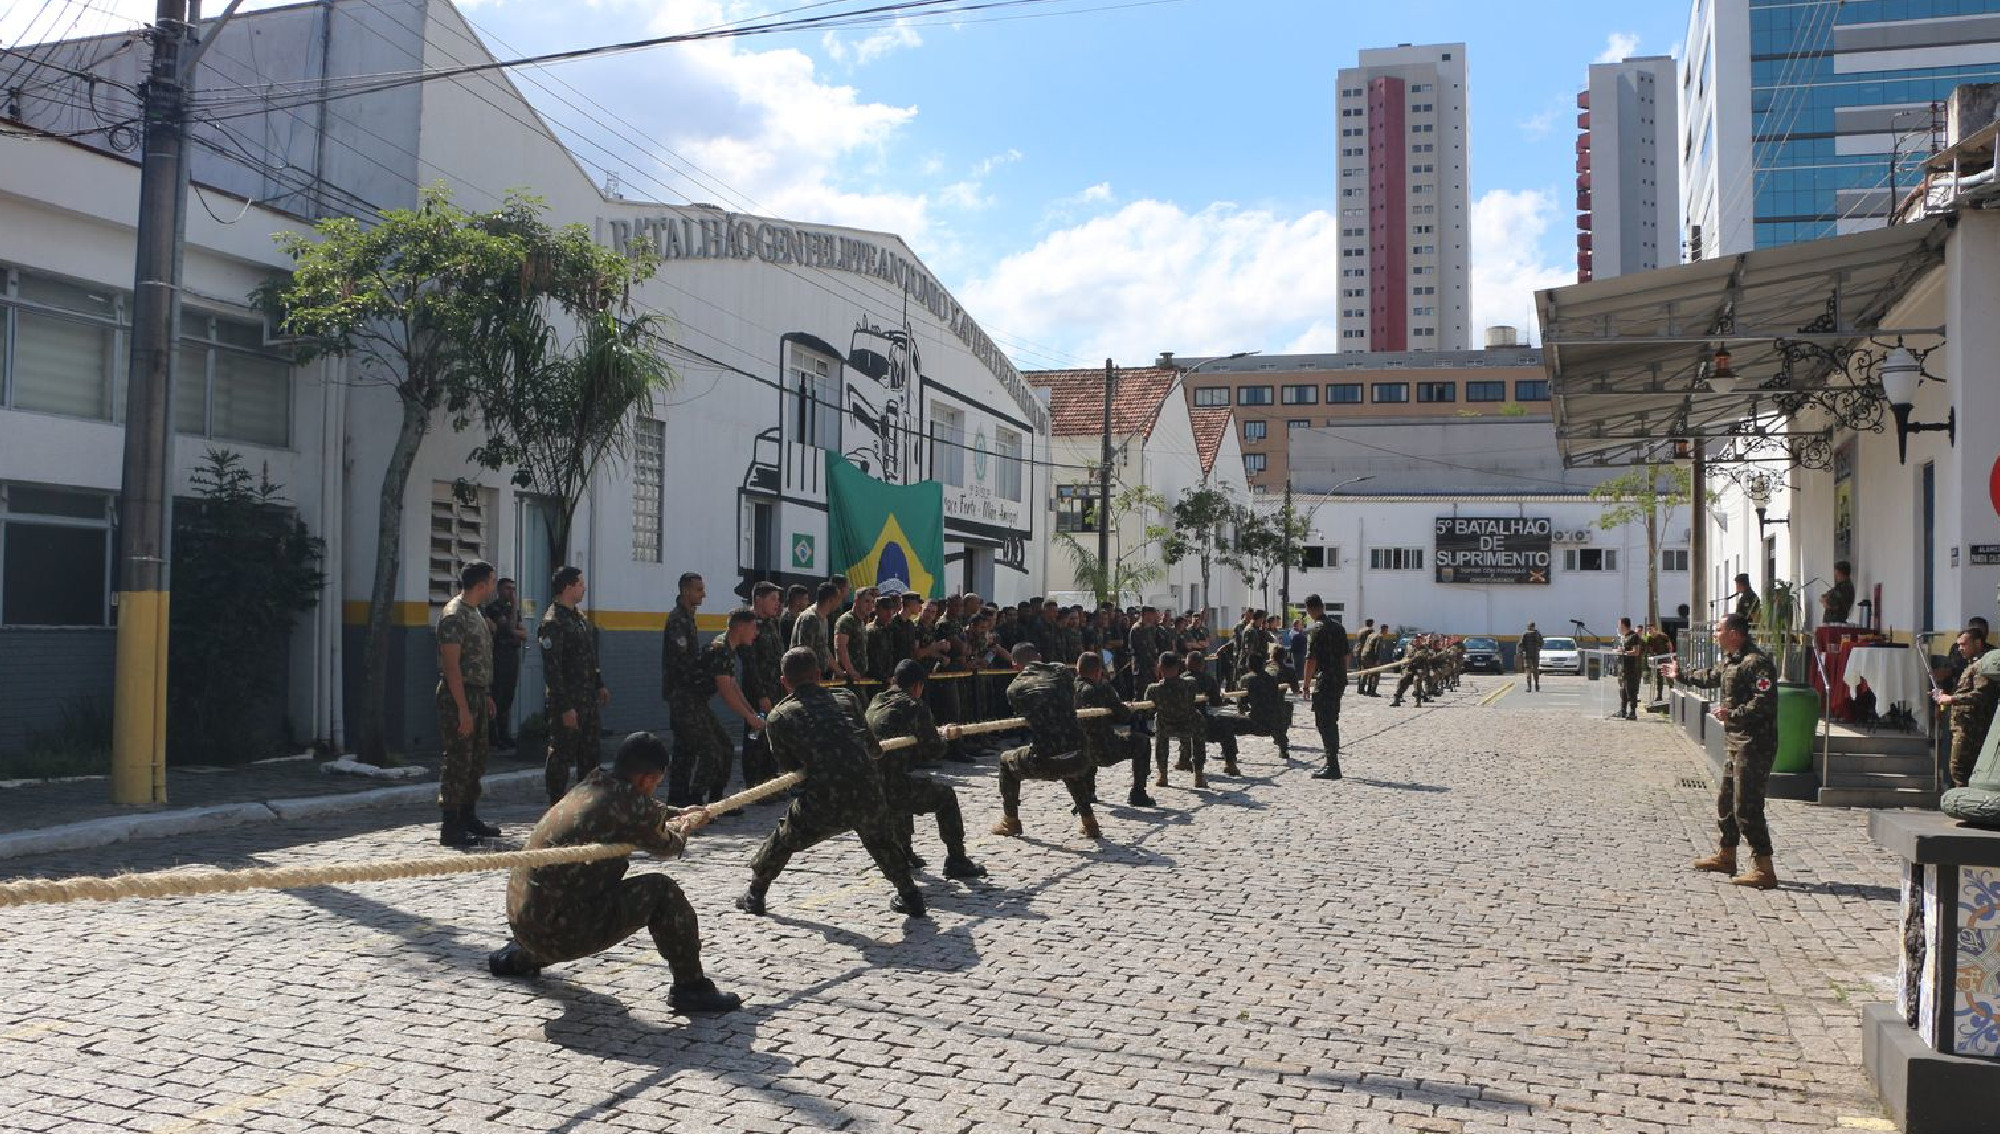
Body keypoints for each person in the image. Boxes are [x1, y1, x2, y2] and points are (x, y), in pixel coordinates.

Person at [486, 733, 742, 1014]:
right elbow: (668, 845)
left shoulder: (594, 783)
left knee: (564, 895)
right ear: (646, 779)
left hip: (525, 923)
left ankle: (517, 957)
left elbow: (638, 809)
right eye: (656, 782)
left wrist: (677, 812)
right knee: (662, 891)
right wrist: (685, 826)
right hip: (557, 934)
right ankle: (691, 988)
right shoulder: (630, 805)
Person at [737, 648, 927, 918]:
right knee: (882, 840)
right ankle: (910, 895)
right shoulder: (846, 698)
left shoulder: (779, 717)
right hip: (867, 790)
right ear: (818, 675)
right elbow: (872, 747)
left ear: (783, 682)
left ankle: (756, 894)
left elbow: (789, 767)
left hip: (824, 800)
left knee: (783, 839)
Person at [1667, 614, 1782, 889]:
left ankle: (1764, 867)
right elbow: (1710, 676)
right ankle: (1726, 855)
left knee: (1747, 806)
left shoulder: (1757, 663)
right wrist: (1680, 674)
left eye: (1719, 630)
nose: (1715, 634)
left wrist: (1734, 714)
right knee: (1727, 802)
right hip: (1735, 742)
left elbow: (1765, 702)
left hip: (1754, 743)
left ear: (1734, 633)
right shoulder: (1732, 660)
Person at [865, 660, 988, 878]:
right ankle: (957, 860)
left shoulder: (876, 700)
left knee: (903, 785)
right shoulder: (914, 705)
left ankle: (904, 851)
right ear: (917, 686)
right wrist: (945, 735)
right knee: (945, 797)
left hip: (869, 786)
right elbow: (934, 750)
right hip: (890, 786)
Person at [994, 643, 1104, 838]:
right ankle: (1089, 821)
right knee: (1069, 756)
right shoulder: (1061, 670)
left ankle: (1010, 821)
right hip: (1081, 754)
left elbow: (1029, 718)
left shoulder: (1014, 688)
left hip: (1046, 760)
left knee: (1005, 760)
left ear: (1014, 665)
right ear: (1039, 656)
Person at [436, 560, 500, 847]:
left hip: (476, 693)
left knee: (476, 760)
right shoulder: (454, 615)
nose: (494, 587)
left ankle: (467, 815)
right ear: (481, 584)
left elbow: (478, 661)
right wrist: (462, 708)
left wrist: (484, 696)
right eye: (492, 582)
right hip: (457, 695)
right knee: (459, 759)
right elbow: (452, 667)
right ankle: (451, 824)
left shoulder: (475, 613)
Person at [539, 566, 610, 804]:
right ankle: (556, 803)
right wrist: (564, 706)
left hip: (587, 699)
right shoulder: (554, 621)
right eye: (580, 584)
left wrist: (599, 683)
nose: (584, 588)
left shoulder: (578, 617)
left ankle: (587, 804)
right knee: (562, 753)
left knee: (589, 754)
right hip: (568, 701)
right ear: (568, 587)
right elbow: (552, 669)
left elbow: (590, 655)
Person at [1076, 652, 1153, 808]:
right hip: (1105, 750)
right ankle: (1138, 793)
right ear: (1098, 671)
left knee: (1087, 735)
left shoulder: (1069, 689)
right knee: (1142, 742)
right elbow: (1123, 717)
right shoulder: (1101, 689)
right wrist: (1126, 708)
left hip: (1079, 749)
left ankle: (1088, 791)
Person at [660, 572, 710, 806]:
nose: (703, 594)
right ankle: (678, 798)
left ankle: (681, 796)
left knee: (688, 747)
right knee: (685, 747)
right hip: (682, 693)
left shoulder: (688, 617)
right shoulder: (678, 619)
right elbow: (681, 662)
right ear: (686, 591)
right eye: (699, 590)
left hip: (689, 693)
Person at [1935, 627, 1998, 788]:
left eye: (1964, 644)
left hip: (1971, 728)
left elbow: (1980, 695)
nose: (1960, 649)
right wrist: (1944, 696)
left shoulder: (1983, 665)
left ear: (1977, 643)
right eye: (1959, 645)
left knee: (1960, 770)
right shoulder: (1971, 664)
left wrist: (1951, 699)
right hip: (1961, 724)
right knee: (1957, 770)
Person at [738, 582, 786, 789]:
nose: (777, 604)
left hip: (775, 689)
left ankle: (769, 781)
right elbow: (750, 665)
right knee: (754, 736)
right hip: (758, 692)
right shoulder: (750, 624)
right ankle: (755, 784)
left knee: (770, 736)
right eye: (773, 599)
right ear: (758, 599)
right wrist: (761, 695)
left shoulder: (771, 623)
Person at [1298, 595, 1350, 780]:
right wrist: (1342, 675)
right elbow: (1346, 655)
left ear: (1309, 609)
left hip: (1325, 680)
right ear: (1323, 606)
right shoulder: (1338, 626)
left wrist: (1305, 684)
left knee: (1324, 723)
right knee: (1332, 721)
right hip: (1338, 679)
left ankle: (1333, 765)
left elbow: (1311, 660)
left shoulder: (1316, 629)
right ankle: (1331, 762)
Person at [1145, 650, 1207, 790]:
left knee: (1158, 720)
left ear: (1160, 667)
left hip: (1166, 726)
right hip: (1188, 725)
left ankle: (1163, 774)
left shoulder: (1153, 689)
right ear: (1179, 667)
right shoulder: (1190, 684)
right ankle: (1199, 774)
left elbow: (1148, 709)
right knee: (1198, 718)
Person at [483, 577, 528, 750]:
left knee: (508, 697)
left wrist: (516, 630)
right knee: (497, 696)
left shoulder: (513, 610)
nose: (511, 593)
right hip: (498, 656)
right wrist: (515, 607)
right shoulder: (493, 609)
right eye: (508, 588)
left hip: (512, 656)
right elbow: (508, 629)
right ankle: (493, 737)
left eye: (513, 589)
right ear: (499, 590)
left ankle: (504, 734)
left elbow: (523, 634)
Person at [1187, 647, 1245, 776]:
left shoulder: (1180, 679)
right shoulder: (1207, 679)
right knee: (1226, 727)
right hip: (1199, 720)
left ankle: (1183, 760)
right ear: (1202, 665)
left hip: (1178, 721)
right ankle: (1230, 764)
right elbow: (1216, 702)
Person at [1240, 658, 1294, 762]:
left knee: (1230, 724)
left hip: (1256, 717)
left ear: (1249, 666)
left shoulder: (1246, 679)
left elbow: (1242, 701)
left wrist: (1242, 710)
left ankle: (1228, 754)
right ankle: (1284, 749)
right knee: (1278, 724)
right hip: (1273, 716)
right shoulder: (1273, 678)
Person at [791, 581, 839, 676]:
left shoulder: (823, 618)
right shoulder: (810, 618)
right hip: (805, 677)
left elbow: (824, 648)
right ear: (831, 600)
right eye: (838, 599)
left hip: (817, 676)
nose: (839, 602)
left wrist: (839, 671)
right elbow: (804, 653)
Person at [1615, 617, 1643, 721]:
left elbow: (1636, 652)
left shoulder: (1633, 636)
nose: (1618, 626)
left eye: (1619, 624)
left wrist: (1624, 652)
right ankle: (1622, 710)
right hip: (1622, 668)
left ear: (1623, 625)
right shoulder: (1623, 637)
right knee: (1623, 691)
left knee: (1631, 690)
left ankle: (1632, 712)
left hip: (1631, 668)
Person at [1519, 623, 1543, 692]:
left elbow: (1521, 644)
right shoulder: (1537, 633)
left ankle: (1529, 687)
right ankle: (1537, 685)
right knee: (1536, 670)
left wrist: (1521, 652)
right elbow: (1542, 642)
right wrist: (1538, 648)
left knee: (1528, 670)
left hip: (1527, 655)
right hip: (1535, 654)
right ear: (1534, 626)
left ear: (1528, 626)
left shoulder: (1525, 634)